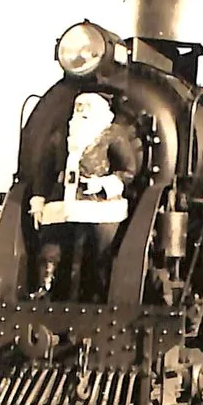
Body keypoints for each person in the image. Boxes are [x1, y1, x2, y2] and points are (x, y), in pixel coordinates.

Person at [28, 93, 139, 302]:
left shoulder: (113, 135)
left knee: (97, 252)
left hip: (99, 205)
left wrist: (104, 183)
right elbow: (45, 169)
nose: (81, 114)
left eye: (86, 110)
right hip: (62, 203)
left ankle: (96, 295)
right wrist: (38, 199)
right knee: (50, 249)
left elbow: (128, 169)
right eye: (78, 109)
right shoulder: (62, 136)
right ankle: (45, 288)